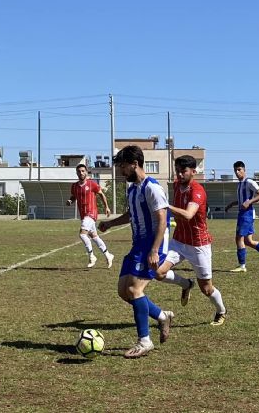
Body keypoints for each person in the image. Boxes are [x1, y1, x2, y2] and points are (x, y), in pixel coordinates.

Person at [98, 145, 174, 359]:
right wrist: (111, 224)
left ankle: (144, 341)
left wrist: (155, 250)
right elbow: (132, 214)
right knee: (123, 291)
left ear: (134, 164)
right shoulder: (133, 189)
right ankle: (162, 316)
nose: (121, 172)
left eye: (123, 167)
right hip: (138, 244)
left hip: (152, 244)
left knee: (134, 289)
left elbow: (162, 220)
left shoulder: (152, 188)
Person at [156, 155, 228, 326]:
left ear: (193, 172)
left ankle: (221, 311)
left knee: (206, 289)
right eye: (177, 171)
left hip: (198, 244)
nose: (180, 175)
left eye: (183, 171)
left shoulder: (197, 191)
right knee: (158, 272)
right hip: (179, 241)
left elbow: (188, 215)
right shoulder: (175, 185)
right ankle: (186, 284)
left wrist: (165, 206)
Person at [224, 161, 259, 272]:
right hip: (244, 213)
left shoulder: (249, 182)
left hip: (246, 214)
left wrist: (250, 202)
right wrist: (232, 204)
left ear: (244, 170)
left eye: (239, 169)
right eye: (235, 170)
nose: (237, 172)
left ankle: (242, 266)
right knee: (248, 241)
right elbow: (242, 201)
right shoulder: (240, 184)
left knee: (239, 238)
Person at [66, 163, 114, 269]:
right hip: (83, 215)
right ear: (76, 173)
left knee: (82, 234)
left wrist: (107, 207)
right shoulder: (74, 186)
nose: (81, 173)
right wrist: (70, 200)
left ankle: (92, 256)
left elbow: (101, 194)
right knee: (94, 237)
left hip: (91, 214)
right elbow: (74, 196)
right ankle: (108, 255)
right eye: (79, 171)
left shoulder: (92, 184)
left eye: (83, 171)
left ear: (86, 172)